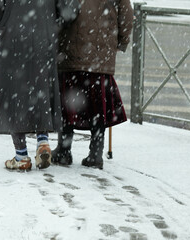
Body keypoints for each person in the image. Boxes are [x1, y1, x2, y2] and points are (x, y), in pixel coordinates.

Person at [0, 0, 79, 171]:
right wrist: (52, 24)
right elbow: (70, 9)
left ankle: (21, 155)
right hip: (44, 38)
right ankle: (42, 141)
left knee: (14, 94)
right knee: (41, 88)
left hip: (13, 40)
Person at [52, 0, 134, 169]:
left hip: (70, 49)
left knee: (68, 104)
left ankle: (64, 150)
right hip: (100, 54)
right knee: (98, 107)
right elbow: (126, 15)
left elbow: (57, 10)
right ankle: (96, 153)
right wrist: (121, 41)